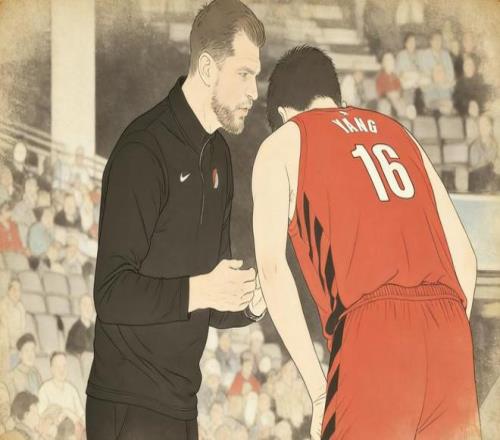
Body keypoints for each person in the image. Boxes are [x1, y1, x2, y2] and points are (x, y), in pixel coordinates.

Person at [253, 46, 480, 439]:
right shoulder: (400, 134)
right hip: (449, 330)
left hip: (373, 332)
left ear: (285, 114)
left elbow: (272, 270)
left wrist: (319, 390)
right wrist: (447, 340)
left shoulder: (284, 141)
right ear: (339, 99)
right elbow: (466, 260)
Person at [86, 1, 267, 439]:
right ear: (207, 68)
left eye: (256, 76)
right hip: (127, 404)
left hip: (182, 405)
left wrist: (254, 300)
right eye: (244, 74)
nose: (254, 92)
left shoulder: (219, 155)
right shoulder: (142, 151)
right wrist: (203, 288)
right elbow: (110, 294)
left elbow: (209, 302)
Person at [6, 333, 43, 398]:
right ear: (20, 354)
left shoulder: (36, 373)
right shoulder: (12, 377)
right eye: (26, 351)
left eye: (32, 350)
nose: (30, 355)